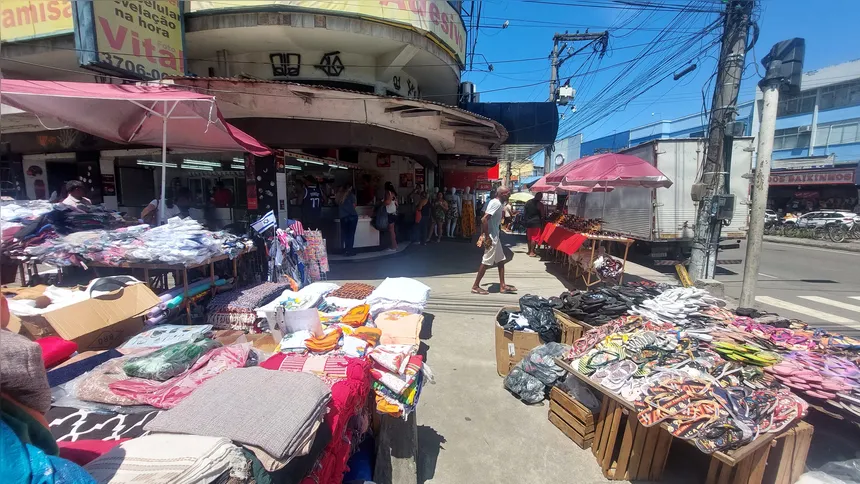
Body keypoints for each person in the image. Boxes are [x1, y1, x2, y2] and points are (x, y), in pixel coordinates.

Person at [472, 187, 516, 295]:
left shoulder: (495, 202)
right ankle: (475, 286)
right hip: (492, 237)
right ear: (502, 194)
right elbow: (484, 219)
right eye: (508, 193)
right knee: (486, 261)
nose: (509, 195)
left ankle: (502, 285)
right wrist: (487, 237)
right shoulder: (496, 203)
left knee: (501, 260)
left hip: (495, 236)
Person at [337, 183, 358, 256]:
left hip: (344, 216)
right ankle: (350, 250)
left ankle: (345, 249)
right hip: (352, 216)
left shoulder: (339, 196)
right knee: (351, 234)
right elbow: (354, 206)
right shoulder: (352, 196)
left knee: (345, 234)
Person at [524, 192, 546, 257]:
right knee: (534, 238)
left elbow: (524, 212)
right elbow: (542, 215)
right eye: (541, 197)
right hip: (536, 222)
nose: (541, 198)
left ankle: (529, 251)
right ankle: (532, 252)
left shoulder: (527, 202)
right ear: (539, 197)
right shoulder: (540, 204)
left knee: (529, 238)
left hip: (528, 222)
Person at [383, 182, 398, 251]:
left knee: (391, 231)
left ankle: (393, 246)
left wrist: (382, 203)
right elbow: (396, 204)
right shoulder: (393, 193)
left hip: (390, 214)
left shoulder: (387, 192)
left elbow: (387, 202)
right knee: (392, 230)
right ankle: (394, 245)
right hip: (394, 213)